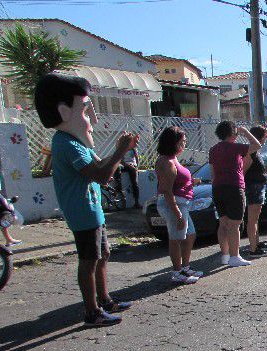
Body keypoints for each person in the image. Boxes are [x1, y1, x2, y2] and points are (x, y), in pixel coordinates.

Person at [35, 73, 136, 327]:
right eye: (85, 110)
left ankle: (104, 300)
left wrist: (117, 153)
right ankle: (92, 312)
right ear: (64, 111)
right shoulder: (67, 144)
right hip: (82, 212)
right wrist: (120, 151)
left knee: (103, 254)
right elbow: (101, 175)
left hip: (93, 210)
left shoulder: (77, 142)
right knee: (89, 260)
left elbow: (100, 165)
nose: (92, 120)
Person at [155, 126, 203, 284]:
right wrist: (178, 214)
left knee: (190, 234)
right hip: (173, 204)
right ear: (173, 143)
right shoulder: (166, 161)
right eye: (182, 142)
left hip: (183, 202)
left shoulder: (173, 158)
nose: (184, 145)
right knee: (176, 238)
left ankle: (185, 267)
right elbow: (167, 191)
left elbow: (177, 181)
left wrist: (191, 182)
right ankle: (177, 272)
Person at [209, 121, 261, 267]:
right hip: (234, 187)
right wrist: (245, 132)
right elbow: (257, 146)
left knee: (223, 223)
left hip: (218, 187)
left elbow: (212, 172)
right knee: (234, 224)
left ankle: (225, 255)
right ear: (232, 133)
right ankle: (234, 256)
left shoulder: (213, 149)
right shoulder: (235, 147)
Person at [245, 125, 267, 257]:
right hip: (253, 187)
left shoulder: (256, 152)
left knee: (256, 219)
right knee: (252, 220)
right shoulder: (250, 152)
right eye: (264, 137)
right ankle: (253, 249)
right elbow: (243, 170)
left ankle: (256, 243)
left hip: (258, 186)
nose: (265, 139)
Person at [114, 141, 141, 208]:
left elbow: (137, 158)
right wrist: (129, 165)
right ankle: (118, 185)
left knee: (134, 182)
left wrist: (136, 166)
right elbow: (121, 161)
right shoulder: (123, 149)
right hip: (125, 165)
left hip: (132, 166)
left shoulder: (133, 149)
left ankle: (136, 202)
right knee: (117, 168)